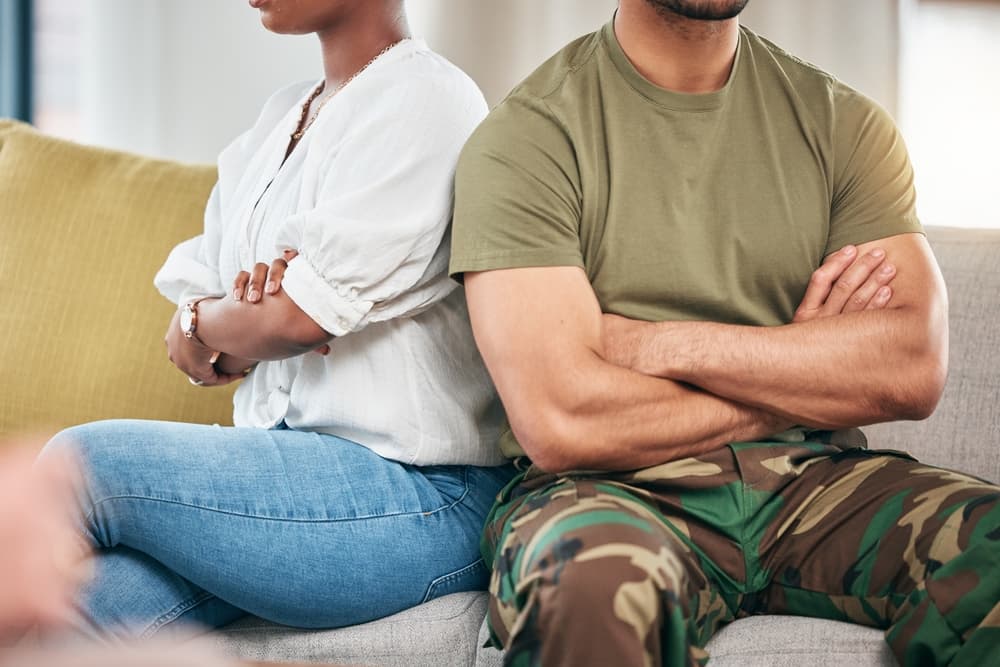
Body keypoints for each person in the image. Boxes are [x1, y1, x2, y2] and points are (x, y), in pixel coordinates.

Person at [448, 1, 1000, 665]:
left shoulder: (843, 123)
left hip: (813, 483)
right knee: (586, 587)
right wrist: (800, 374)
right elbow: (563, 419)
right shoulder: (526, 139)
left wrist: (655, 344)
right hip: (610, 491)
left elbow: (912, 365)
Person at [41, 0, 512, 640]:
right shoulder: (281, 118)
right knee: (78, 613)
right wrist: (232, 318)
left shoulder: (427, 99)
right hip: (284, 478)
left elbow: (294, 322)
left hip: (420, 495)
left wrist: (256, 319)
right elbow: (192, 343)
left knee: (78, 465)